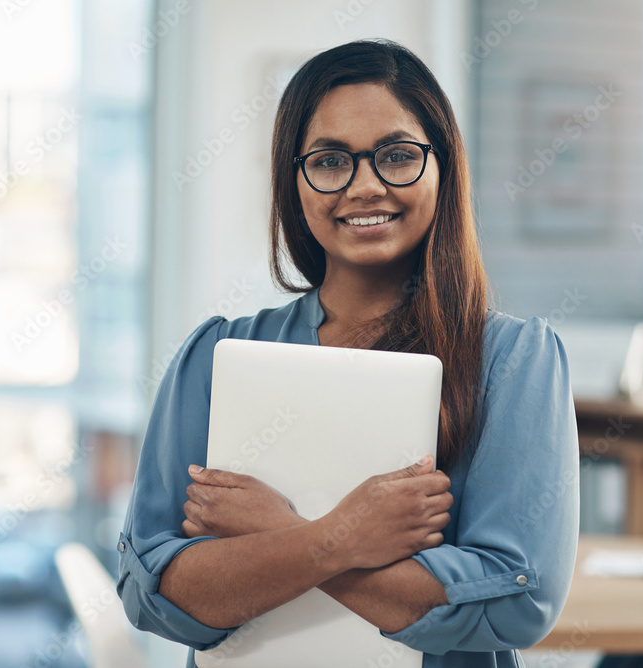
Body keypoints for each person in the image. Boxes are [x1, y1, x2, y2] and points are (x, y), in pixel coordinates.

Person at [116, 39, 579, 668]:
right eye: (331, 161)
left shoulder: (513, 361)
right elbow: (155, 593)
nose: (365, 186)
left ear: (444, 168)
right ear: (295, 181)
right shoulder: (218, 355)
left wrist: (273, 533)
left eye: (395, 156)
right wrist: (342, 537)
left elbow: (516, 602)